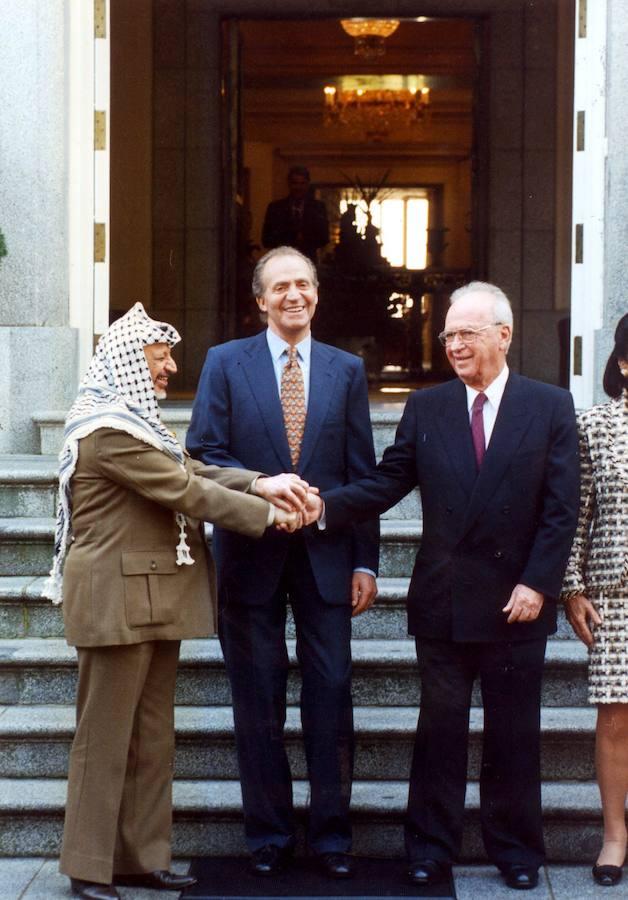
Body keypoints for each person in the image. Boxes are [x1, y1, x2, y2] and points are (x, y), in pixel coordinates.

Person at [309, 282, 580, 891]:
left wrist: (539, 583)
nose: (454, 345)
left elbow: (562, 509)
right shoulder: (427, 408)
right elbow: (385, 483)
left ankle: (516, 852)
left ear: (504, 335)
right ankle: (430, 847)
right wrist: (320, 508)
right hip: (444, 601)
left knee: (514, 733)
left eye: (467, 333)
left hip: (518, 601)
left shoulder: (550, 406)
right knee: (440, 729)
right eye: (448, 335)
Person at [43, 303, 298, 900]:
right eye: (160, 360)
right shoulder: (107, 430)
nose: (170, 368)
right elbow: (183, 489)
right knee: (104, 737)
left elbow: (195, 468)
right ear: (130, 363)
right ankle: (87, 865)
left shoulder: (137, 425)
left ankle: (141, 858)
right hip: (114, 600)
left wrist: (261, 481)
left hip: (153, 592)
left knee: (152, 734)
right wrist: (267, 515)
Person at [186, 246, 379, 880]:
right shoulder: (224, 363)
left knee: (331, 696)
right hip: (249, 556)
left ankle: (331, 837)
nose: (294, 295)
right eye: (280, 287)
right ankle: (267, 834)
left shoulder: (347, 370)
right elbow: (203, 451)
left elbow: (362, 472)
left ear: (316, 294)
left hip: (328, 559)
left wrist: (367, 563)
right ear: (261, 300)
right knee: (257, 700)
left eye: (304, 285)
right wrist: (261, 484)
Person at [561, 313, 628, 888]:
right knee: (616, 717)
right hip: (616, 593)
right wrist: (572, 587)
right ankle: (614, 834)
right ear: (624, 364)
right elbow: (575, 517)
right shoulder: (595, 427)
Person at [261, 166, 329, 262]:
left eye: (302, 183)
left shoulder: (317, 208)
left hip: (308, 262)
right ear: (289, 184)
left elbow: (324, 238)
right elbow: (266, 240)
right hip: (282, 262)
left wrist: (304, 239)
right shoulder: (275, 208)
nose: (298, 187)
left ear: (307, 184)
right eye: (295, 183)